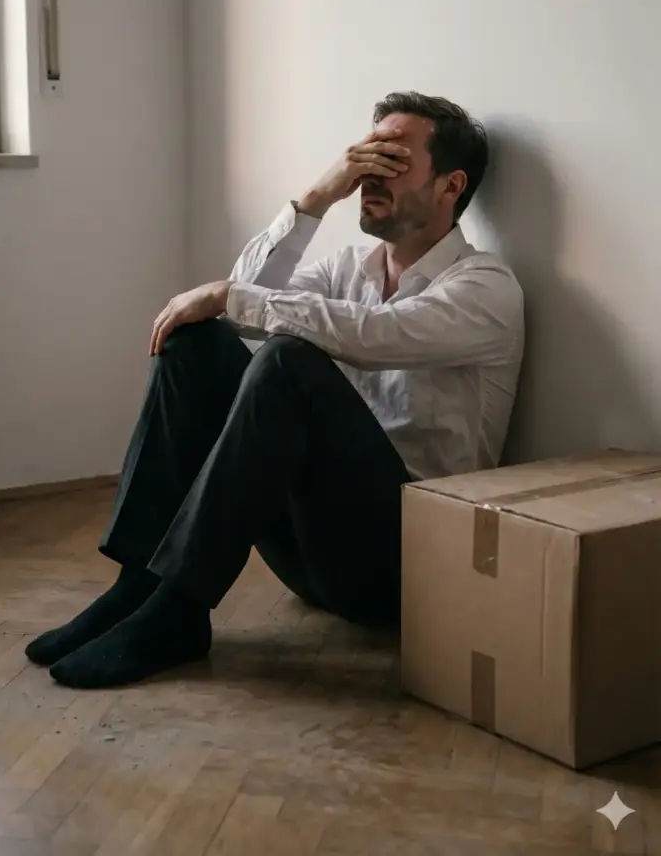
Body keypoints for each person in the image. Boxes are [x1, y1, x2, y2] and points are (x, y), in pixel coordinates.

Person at [26, 91, 524, 690]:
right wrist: (317, 197)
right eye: (364, 157)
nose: (370, 175)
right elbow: (241, 303)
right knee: (199, 341)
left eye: (390, 160)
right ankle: (141, 586)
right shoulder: (347, 270)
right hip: (308, 553)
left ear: (450, 186)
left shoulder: (486, 287)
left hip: (403, 569)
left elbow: (379, 335)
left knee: (287, 362)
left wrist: (228, 297)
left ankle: (179, 611)